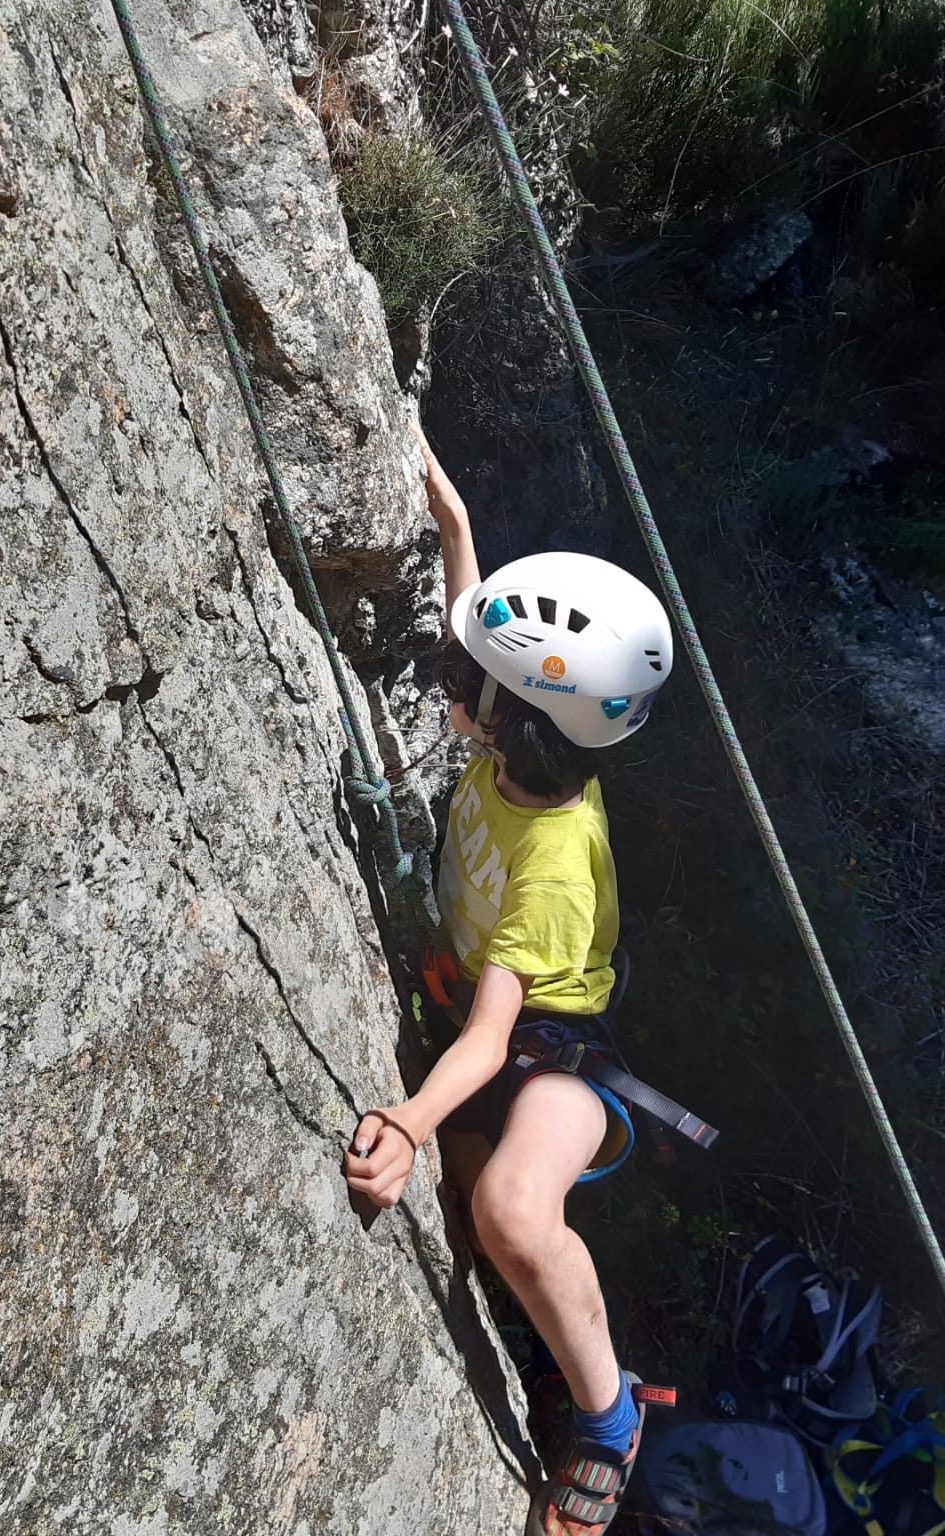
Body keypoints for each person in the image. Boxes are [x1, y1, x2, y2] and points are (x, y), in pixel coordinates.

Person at [342, 423, 673, 1536]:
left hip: (552, 1058)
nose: (451, 673)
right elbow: (472, 611)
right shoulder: (522, 736)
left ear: (516, 727)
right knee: (479, 1230)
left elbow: (488, 1042)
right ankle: (547, 1353)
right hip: (488, 1026)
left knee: (510, 1215)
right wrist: (452, 516)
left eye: (464, 680)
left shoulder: (556, 870)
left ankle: (609, 1418)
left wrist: (406, 1118)